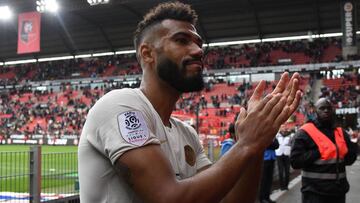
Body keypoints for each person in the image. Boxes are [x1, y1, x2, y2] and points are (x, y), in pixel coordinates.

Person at [78, 2, 302, 203]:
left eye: (198, 43)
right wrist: (246, 145)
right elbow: (168, 198)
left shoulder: (187, 134)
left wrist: (256, 146)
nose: (198, 51)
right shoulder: (120, 105)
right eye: (181, 40)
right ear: (147, 54)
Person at [290, 98, 358, 203]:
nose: (326, 111)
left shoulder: (340, 132)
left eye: (329, 108)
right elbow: (295, 162)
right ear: (315, 110)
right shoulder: (304, 132)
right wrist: (319, 151)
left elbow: (349, 161)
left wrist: (355, 145)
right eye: (322, 108)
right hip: (314, 194)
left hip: (338, 193)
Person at [259, 139, 279, 203]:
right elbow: (265, 145)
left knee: (269, 180)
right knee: (264, 180)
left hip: (272, 158)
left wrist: (270, 144)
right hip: (265, 159)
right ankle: (262, 198)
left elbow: (277, 145)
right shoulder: (265, 136)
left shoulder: (274, 138)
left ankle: (267, 197)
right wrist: (271, 144)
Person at [275, 126, 291, 191]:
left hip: (287, 154)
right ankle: (281, 186)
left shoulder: (290, 135)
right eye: (282, 127)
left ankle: (286, 186)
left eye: (284, 127)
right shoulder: (277, 135)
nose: (283, 128)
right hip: (279, 154)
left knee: (287, 171)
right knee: (280, 171)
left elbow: (292, 143)